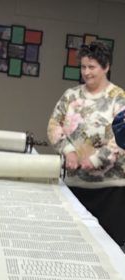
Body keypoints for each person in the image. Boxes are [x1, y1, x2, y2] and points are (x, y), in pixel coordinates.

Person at [47, 41, 125, 247]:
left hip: (110, 191)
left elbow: (122, 138)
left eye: (92, 67)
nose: (87, 72)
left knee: (108, 249)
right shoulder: (71, 96)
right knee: (72, 246)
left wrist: (97, 159)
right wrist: (68, 151)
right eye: (83, 67)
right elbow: (54, 125)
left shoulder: (119, 98)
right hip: (74, 185)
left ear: (106, 66)